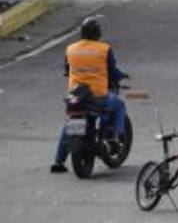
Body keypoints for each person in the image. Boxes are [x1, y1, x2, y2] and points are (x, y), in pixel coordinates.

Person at [51, 19, 129, 173]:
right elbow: (112, 72)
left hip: (76, 96)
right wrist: (122, 76)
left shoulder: (70, 48)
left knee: (69, 124)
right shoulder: (104, 49)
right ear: (97, 34)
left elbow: (67, 70)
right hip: (98, 96)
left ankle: (58, 162)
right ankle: (114, 137)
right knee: (119, 105)